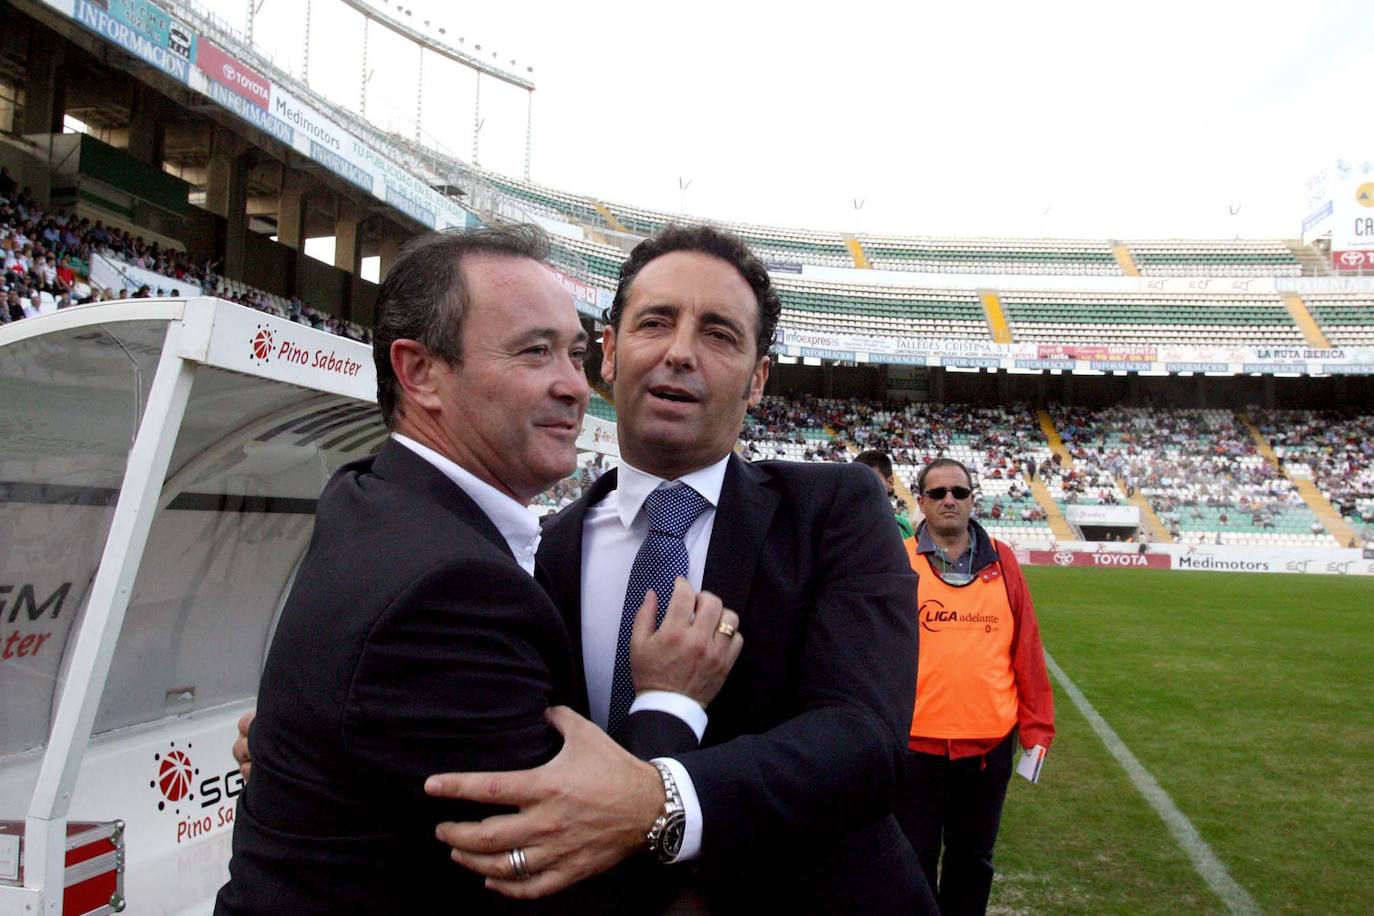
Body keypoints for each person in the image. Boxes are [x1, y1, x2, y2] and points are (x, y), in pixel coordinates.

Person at [216, 224, 741, 913]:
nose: (575, 388)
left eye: (576, 354)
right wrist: (669, 702)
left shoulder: (374, 497)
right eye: (535, 352)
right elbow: (580, 868)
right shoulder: (447, 588)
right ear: (420, 372)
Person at [424, 225, 930, 913]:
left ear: (757, 381)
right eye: (655, 322)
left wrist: (658, 802)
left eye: (719, 334)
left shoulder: (835, 510)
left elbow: (864, 743)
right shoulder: (543, 551)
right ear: (607, 353)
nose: (679, 352)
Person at [896, 457, 1055, 916]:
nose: (950, 500)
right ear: (921, 501)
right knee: (914, 862)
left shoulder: (1003, 562)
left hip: (987, 752)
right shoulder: (899, 560)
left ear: (972, 500)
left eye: (959, 493)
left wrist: (1037, 730)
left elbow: (1026, 646)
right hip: (914, 749)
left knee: (972, 862)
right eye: (939, 493)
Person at [855, 448, 916, 538]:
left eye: (872, 480)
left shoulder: (903, 527)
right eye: (857, 481)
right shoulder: (840, 527)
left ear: (890, 482)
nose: (863, 487)